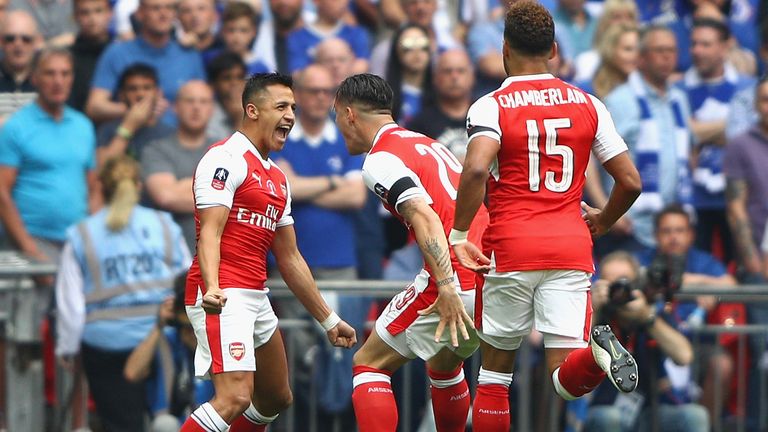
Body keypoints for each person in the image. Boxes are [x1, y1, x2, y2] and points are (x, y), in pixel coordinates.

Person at [450, 2, 642, 430]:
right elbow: (630, 181)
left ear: (505, 49)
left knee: (494, 379)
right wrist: (605, 220)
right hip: (570, 247)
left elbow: (478, 168)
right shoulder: (588, 104)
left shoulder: (491, 105)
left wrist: (460, 232)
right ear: (554, 49)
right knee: (564, 378)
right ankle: (596, 355)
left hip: (511, 247)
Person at [179, 72, 357, 432]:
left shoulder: (277, 178)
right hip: (221, 292)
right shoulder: (224, 159)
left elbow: (290, 258)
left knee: (276, 396)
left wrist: (328, 319)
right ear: (252, 110)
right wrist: (212, 286)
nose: (291, 114)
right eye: (281, 106)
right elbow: (209, 232)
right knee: (234, 397)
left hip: (255, 294)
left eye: (292, 106)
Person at [334, 73, 488, 432]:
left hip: (455, 273)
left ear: (350, 114)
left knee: (369, 364)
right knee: (444, 363)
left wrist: (447, 285)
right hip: (489, 268)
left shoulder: (380, 160)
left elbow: (424, 215)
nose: (339, 126)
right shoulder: (427, 142)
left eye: (337, 116)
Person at [55, 155, 191, 432]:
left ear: (102, 189)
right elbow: (187, 282)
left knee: (120, 426)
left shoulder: (83, 234)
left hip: (106, 345)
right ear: (139, 186)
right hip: (162, 341)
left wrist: (67, 346)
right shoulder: (165, 225)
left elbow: (72, 305)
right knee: (168, 423)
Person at [592, 25, 692, 254]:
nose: (667, 57)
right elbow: (589, 154)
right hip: (631, 224)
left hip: (673, 225)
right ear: (642, 57)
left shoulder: (679, 100)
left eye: (671, 51)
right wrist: (606, 210)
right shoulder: (620, 100)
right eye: (659, 50)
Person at [585, 251, 708, 432]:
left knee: (695, 416)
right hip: (605, 408)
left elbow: (684, 356)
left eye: (623, 281)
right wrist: (594, 310)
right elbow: (575, 355)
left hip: (650, 411)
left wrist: (646, 317)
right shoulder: (597, 315)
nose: (618, 289)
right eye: (610, 282)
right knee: (609, 418)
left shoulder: (650, 313)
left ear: (636, 284)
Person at [0, 47, 97, 262]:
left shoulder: (83, 126)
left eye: (65, 73)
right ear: (34, 78)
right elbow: (2, 193)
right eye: (50, 73)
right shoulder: (16, 127)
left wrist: (94, 238)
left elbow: (93, 187)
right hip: (31, 241)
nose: (58, 81)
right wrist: (29, 248)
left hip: (77, 243)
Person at [678, 18, 755, 264]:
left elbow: (744, 135)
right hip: (692, 198)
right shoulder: (677, 89)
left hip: (741, 195)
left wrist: (699, 132)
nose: (697, 51)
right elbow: (685, 134)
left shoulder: (748, 88)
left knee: (744, 266)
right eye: (694, 44)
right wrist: (728, 125)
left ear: (725, 47)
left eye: (706, 44)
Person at [86, 0, 205, 125]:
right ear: (140, 13)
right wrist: (136, 109)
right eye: (155, 8)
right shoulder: (117, 53)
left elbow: (204, 101)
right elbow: (94, 107)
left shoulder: (189, 54)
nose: (163, 14)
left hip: (180, 138)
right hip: (133, 138)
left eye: (169, 8)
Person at [124, 273, 215, 431]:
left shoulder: (219, 338)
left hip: (213, 424)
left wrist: (203, 343)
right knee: (164, 424)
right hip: (174, 425)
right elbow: (132, 373)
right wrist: (159, 325)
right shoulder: (166, 340)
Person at [142, 80, 217, 251]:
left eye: (203, 101)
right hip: (170, 259)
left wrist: (183, 185)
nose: (196, 107)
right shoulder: (156, 150)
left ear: (212, 109)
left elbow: (242, 197)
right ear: (175, 107)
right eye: (189, 101)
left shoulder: (226, 150)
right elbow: (166, 197)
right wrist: (218, 190)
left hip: (220, 260)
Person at [96, 63, 174, 166]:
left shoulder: (169, 133)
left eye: (147, 88)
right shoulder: (107, 130)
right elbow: (101, 168)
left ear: (158, 93)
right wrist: (128, 127)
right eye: (132, 89)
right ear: (121, 95)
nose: (140, 94)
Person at [407, 48, 475, 162]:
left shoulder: (488, 115)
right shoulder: (419, 126)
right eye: (447, 71)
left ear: (472, 76)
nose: (454, 77)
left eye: (461, 71)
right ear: (435, 77)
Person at [68, 0, 113, 112]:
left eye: (98, 11)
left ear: (110, 13)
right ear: (75, 16)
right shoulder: (68, 58)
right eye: (85, 13)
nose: (92, 18)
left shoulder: (120, 54)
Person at [0, 10, 41, 125]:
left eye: (26, 39)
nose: (18, 44)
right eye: (10, 39)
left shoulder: (48, 79)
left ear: (37, 42)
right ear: (1, 42)